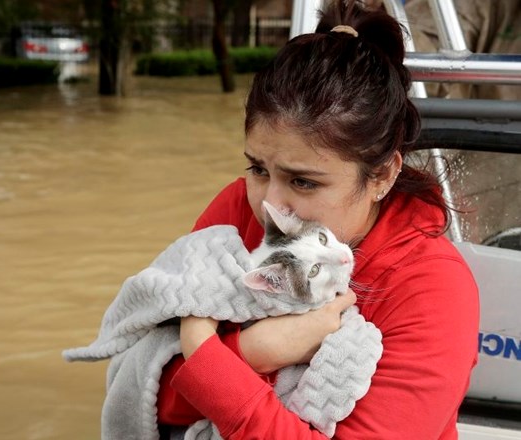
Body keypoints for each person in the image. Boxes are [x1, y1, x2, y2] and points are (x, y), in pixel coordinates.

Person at [155, 0, 480, 438]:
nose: (270, 205)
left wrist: (204, 348)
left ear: (383, 175)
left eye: (303, 182)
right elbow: (144, 394)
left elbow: (183, 378)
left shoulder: (431, 289)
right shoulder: (235, 213)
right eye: (259, 169)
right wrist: (255, 351)